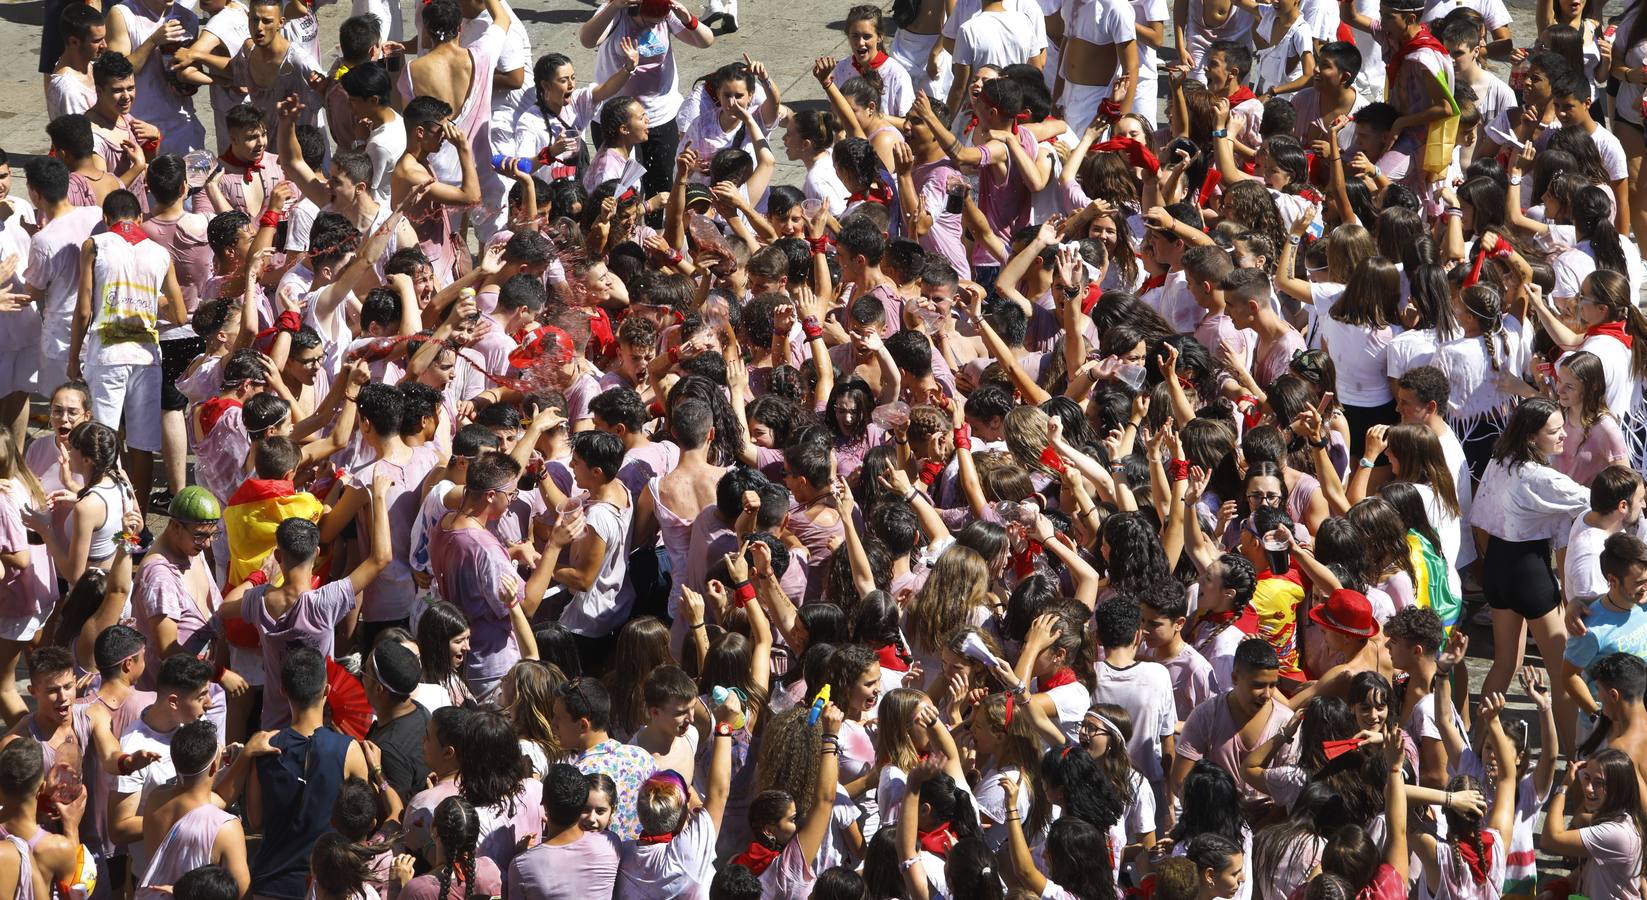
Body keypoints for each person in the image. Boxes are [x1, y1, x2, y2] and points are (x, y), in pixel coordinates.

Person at [1470, 398, 1588, 701]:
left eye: (1563, 427)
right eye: (1554, 431)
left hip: (1497, 565)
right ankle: (1569, 749)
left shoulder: (1498, 461)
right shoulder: (1542, 476)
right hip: (1529, 574)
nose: (1563, 435)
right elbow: (1597, 500)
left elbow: (1480, 521)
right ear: (1531, 437)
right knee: (1563, 671)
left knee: (1506, 663)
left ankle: (1479, 737)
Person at [552, 677, 657, 841]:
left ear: (582, 725)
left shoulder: (576, 776)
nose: (553, 725)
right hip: (644, 861)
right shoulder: (641, 758)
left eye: (558, 718)